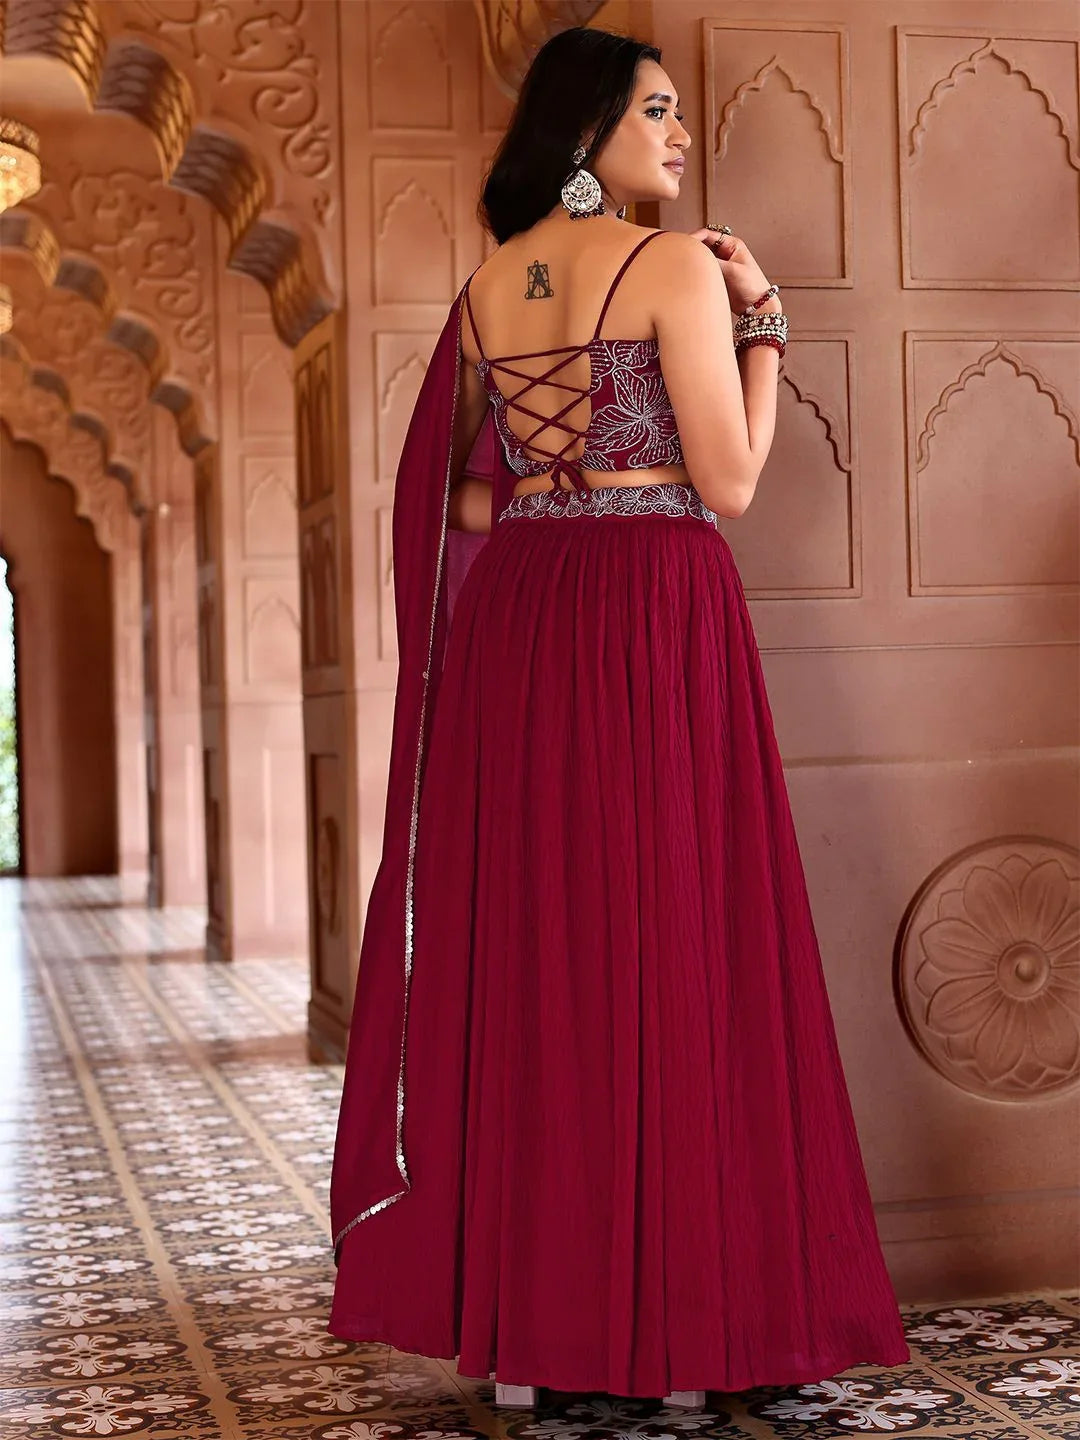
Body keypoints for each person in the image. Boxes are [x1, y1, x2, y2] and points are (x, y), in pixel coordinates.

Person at [328, 25, 910, 1405]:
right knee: (669, 926)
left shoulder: (490, 283)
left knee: (539, 943)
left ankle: (533, 1342)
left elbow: (457, 497)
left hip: (527, 622)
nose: (679, 133)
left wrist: (552, 502)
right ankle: (685, 1334)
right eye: (657, 111)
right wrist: (767, 324)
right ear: (588, 126)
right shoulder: (673, 266)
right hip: (652, 603)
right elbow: (734, 480)